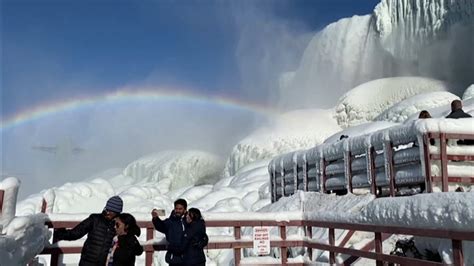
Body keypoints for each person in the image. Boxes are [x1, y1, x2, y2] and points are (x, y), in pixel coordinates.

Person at [55, 196, 123, 266]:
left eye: (112, 211)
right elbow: (76, 233)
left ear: (117, 213)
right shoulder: (94, 219)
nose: (108, 212)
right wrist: (59, 233)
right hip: (87, 262)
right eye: (107, 209)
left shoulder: (118, 225)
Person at [151, 198, 188, 266]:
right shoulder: (170, 222)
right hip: (173, 257)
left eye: (180, 209)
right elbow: (161, 226)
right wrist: (156, 218)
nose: (178, 211)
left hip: (187, 257)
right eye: (176, 209)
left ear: (185, 210)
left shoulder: (189, 221)